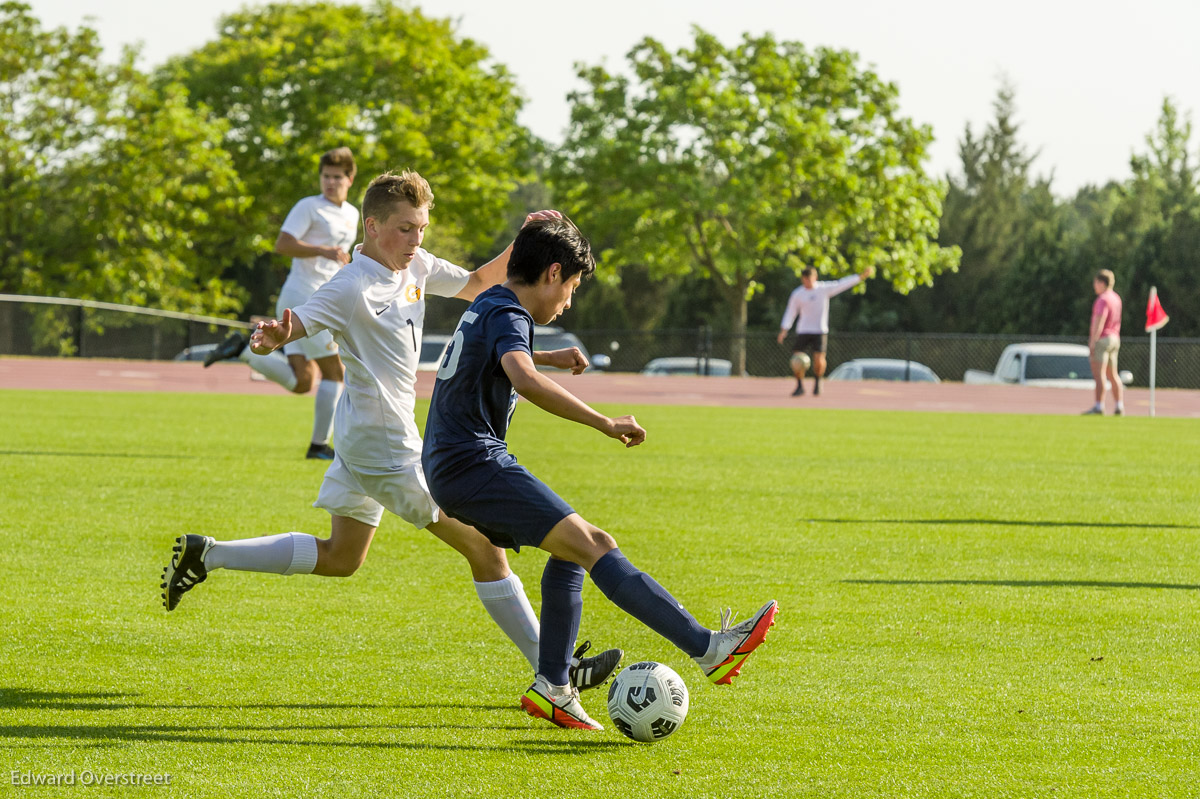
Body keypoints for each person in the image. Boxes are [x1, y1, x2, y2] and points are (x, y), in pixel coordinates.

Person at [162, 170, 622, 692]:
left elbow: (476, 284)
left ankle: (208, 552)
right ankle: (555, 671)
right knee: (485, 549)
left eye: (422, 228)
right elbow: (301, 322)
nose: (416, 240)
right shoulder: (351, 285)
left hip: (365, 435)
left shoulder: (417, 266)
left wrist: (526, 238)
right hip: (385, 446)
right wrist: (275, 335)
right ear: (373, 225)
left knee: (341, 558)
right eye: (405, 229)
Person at [422, 216, 777, 731]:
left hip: (455, 465)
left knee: (571, 553)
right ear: (552, 272)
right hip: (471, 462)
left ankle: (553, 688)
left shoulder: (492, 303)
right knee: (596, 543)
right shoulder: (511, 311)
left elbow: (494, 359)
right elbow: (520, 376)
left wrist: (545, 356)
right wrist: (604, 422)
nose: (567, 302)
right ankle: (709, 649)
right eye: (570, 288)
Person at [205, 146, 360, 460]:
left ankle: (243, 351)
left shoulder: (353, 213)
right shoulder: (308, 207)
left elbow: (341, 258)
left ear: (350, 178)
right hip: (305, 298)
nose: (330, 183)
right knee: (335, 373)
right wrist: (322, 250)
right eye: (325, 176)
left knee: (303, 382)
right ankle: (318, 447)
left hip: (316, 298)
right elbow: (283, 244)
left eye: (336, 177)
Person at [776, 266, 874, 396]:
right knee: (797, 359)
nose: (807, 283)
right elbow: (791, 312)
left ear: (815, 278)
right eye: (804, 280)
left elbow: (842, 284)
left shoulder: (823, 289)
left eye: (809, 280)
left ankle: (817, 382)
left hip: (819, 330)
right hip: (803, 330)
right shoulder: (797, 294)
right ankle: (799, 385)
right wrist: (784, 329)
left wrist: (860, 277)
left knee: (819, 360)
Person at [1083, 269, 1124, 416]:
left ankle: (1099, 406)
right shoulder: (1116, 298)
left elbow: (1099, 321)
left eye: (1095, 282)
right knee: (1113, 375)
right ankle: (1119, 405)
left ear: (1102, 283)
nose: (1094, 286)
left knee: (1099, 374)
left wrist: (1093, 341)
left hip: (1103, 338)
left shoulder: (1102, 299)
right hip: (1115, 338)